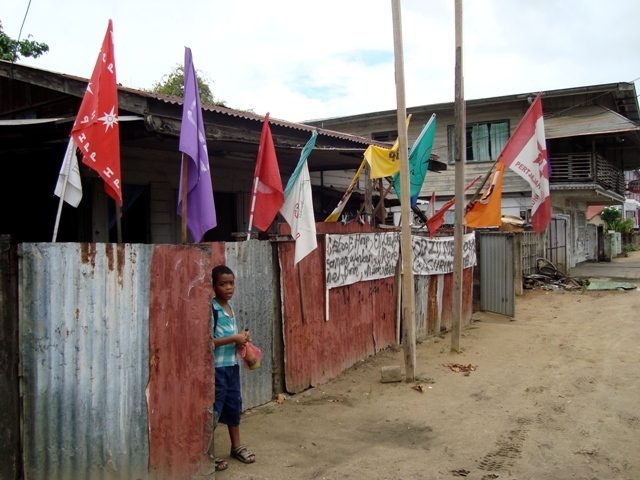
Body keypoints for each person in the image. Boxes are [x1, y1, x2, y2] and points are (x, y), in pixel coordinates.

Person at [208, 265, 256, 472]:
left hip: (232, 368)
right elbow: (209, 342)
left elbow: (232, 338)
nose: (228, 288)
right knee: (214, 412)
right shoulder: (212, 309)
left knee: (234, 407)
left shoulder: (229, 307)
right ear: (213, 286)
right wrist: (233, 338)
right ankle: (207, 453)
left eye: (231, 283)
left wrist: (242, 341)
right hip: (217, 371)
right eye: (222, 284)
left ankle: (236, 446)